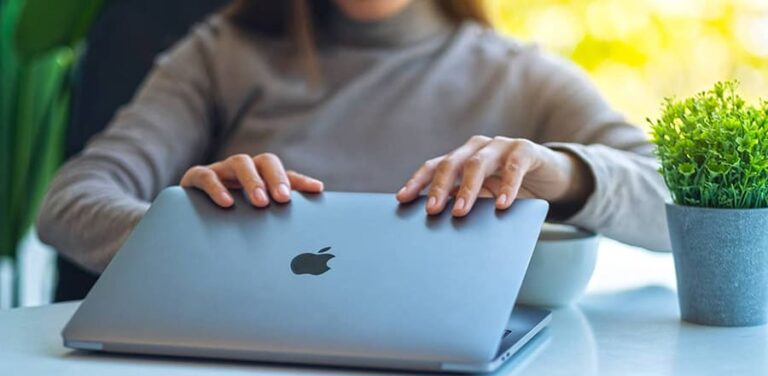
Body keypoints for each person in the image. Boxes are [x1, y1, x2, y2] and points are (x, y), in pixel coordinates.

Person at [37, 0, 670, 275]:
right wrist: (190, 232)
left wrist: (564, 172)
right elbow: (70, 204)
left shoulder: (524, 78)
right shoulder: (219, 56)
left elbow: (682, 198)